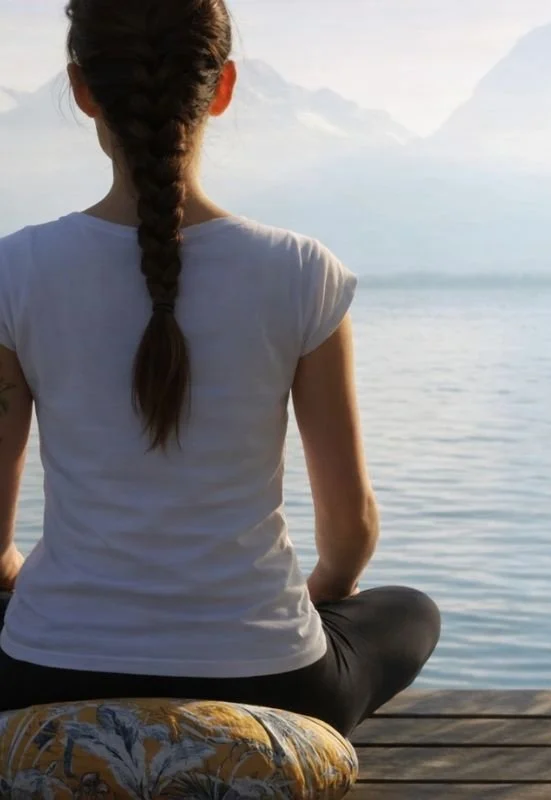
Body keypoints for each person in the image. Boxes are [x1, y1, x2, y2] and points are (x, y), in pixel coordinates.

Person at [0, 0, 440, 738]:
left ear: (82, 91)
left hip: (43, 679)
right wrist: (319, 596)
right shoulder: (301, 272)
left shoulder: (15, 270)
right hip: (276, 687)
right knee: (411, 611)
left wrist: (24, 583)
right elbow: (350, 531)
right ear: (224, 86)